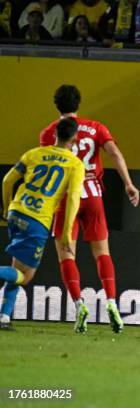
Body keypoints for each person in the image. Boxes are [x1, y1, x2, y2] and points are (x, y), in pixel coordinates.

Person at [39, 85, 140, 333]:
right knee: (102, 253)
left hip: (65, 197)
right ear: (78, 103)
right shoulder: (96, 127)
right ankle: (112, 304)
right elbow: (114, 153)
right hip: (93, 192)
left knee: (67, 254)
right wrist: (128, 183)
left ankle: (79, 305)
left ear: (57, 104)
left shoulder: (50, 132)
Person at [0, 118, 85, 330]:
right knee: (26, 276)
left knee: (16, 267)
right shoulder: (75, 164)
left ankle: (3, 317)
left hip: (16, 211)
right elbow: (74, 198)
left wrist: (6, 207)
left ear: (55, 134)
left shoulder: (34, 153)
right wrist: (66, 233)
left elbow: (7, 181)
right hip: (37, 220)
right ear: (75, 139)